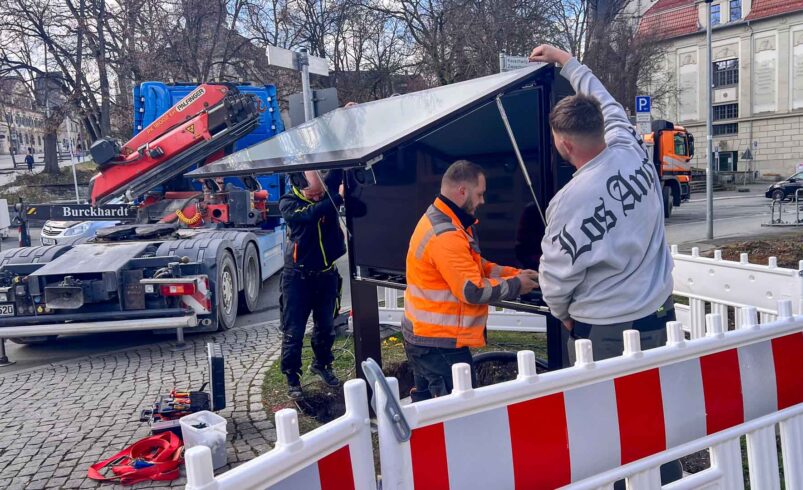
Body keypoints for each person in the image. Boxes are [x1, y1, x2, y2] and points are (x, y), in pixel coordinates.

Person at [530, 44, 680, 486]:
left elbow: (556, 278)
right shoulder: (630, 145)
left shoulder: (569, 201)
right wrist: (567, 61)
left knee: (609, 427)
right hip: (659, 314)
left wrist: (563, 317)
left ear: (564, 144)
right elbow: (608, 101)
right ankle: (668, 480)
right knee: (657, 418)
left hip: (606, 329)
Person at [402, 160, 538, 401]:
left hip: (425, 338)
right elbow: (472, 289)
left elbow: (475, 266)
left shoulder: (447, 221)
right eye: (480, 194)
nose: (483, 201)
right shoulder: (447, 235)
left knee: (426, 409)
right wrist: (518, 286)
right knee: (455, 415)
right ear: (462, 191)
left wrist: (514, 273)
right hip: (439, 345)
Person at [278, 169, 346, 398]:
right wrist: (336, 198)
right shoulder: (288, 203)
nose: (319, 197)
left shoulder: (324, 191)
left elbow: (338, 170)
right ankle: (292, 378)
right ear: (299, 185)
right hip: (297, 277)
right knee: (293, 332)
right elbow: (312, 214)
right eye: (314, 194)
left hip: (326, 274)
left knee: (326, 326)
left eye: (321, 193)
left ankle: (322, 364)